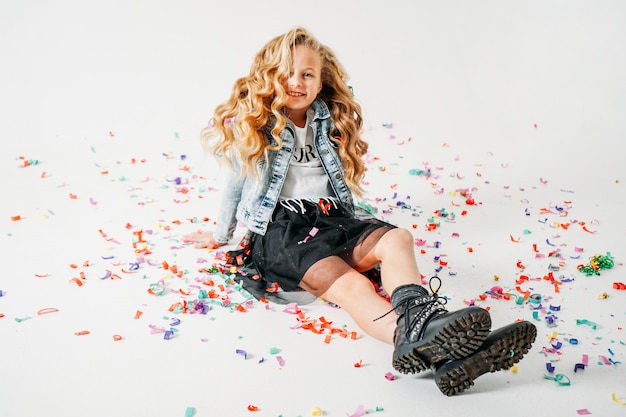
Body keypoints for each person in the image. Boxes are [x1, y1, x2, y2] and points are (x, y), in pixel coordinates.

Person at [183, 26, 536, 396]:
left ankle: (429, 333)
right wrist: (220, 234)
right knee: (352, 285)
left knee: (397, 238)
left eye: (307, 74)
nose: (296, 82)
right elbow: (234, 185)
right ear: (268, 76)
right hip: (281, 235)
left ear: (321, 82)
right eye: (287, 73)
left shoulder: (326, 120)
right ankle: (434, 344)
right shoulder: (257, 125)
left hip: (331, 219)